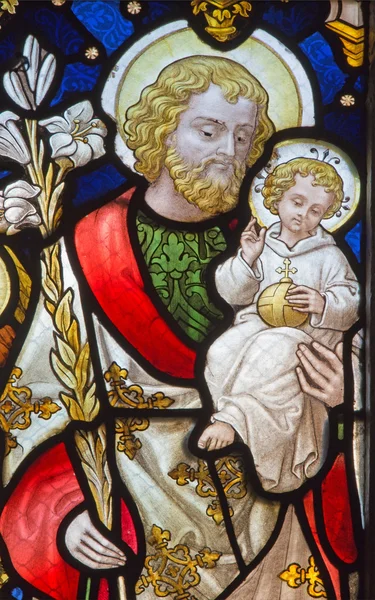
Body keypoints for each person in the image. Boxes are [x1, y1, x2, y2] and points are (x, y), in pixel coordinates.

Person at [0, 57, 351, 600]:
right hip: (148, 520)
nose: (229, 151)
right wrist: (65, 512)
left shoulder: (285, 246)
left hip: (277, 515)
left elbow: (341, 357)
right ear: (160, 132)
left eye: (243, 136)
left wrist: (342, 404)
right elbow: (33, 407)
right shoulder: (83, 250)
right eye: (209, 131)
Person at [199, 158, 360, 495]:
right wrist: (248, 259)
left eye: (316, 210)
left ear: (326, 215)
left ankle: (235, 418)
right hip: (257, 324)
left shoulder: (329, 255)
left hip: (305, 337)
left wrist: (322, 303)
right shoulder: (261, 245)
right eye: (297, 202)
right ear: (275, 198)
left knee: (276, 347)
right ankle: (233, 422)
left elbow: (351, 301)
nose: (303, 214)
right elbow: (232, 293)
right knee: (219, 350)